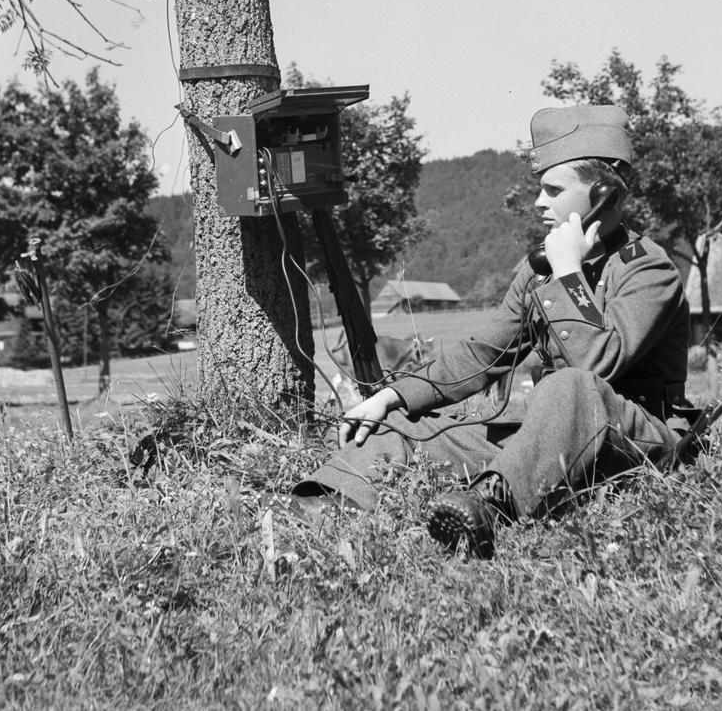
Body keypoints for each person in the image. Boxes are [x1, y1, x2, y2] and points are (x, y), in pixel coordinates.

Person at [292, 104, 696, 557]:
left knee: (570, 385)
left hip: (629, 436)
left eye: (553, 190)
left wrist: (567, 272)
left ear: (603, 195)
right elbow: (482, 353)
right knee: (403, 426)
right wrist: (390, 397)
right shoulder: (540, 269)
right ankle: (320, 507)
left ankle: (489, 506)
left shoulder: (649, 271)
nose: (539, 202)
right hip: (550, 437)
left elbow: (593, 367)